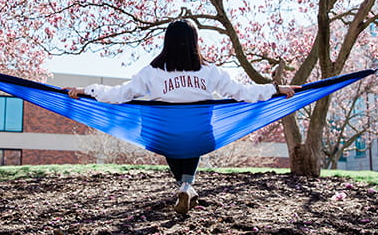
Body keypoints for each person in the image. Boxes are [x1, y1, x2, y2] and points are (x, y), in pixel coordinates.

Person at [67, 19, 297, 214]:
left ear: (167, 42)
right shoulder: (210, 71)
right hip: (200, 137)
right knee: (191, 136)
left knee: (171, 137)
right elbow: (243, 92)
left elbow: (118, 94)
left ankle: (184, 186)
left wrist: (88, 90)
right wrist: (275, 89)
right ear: (195, 42)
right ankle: (187, 185)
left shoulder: (152, 72)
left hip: (163, 138)